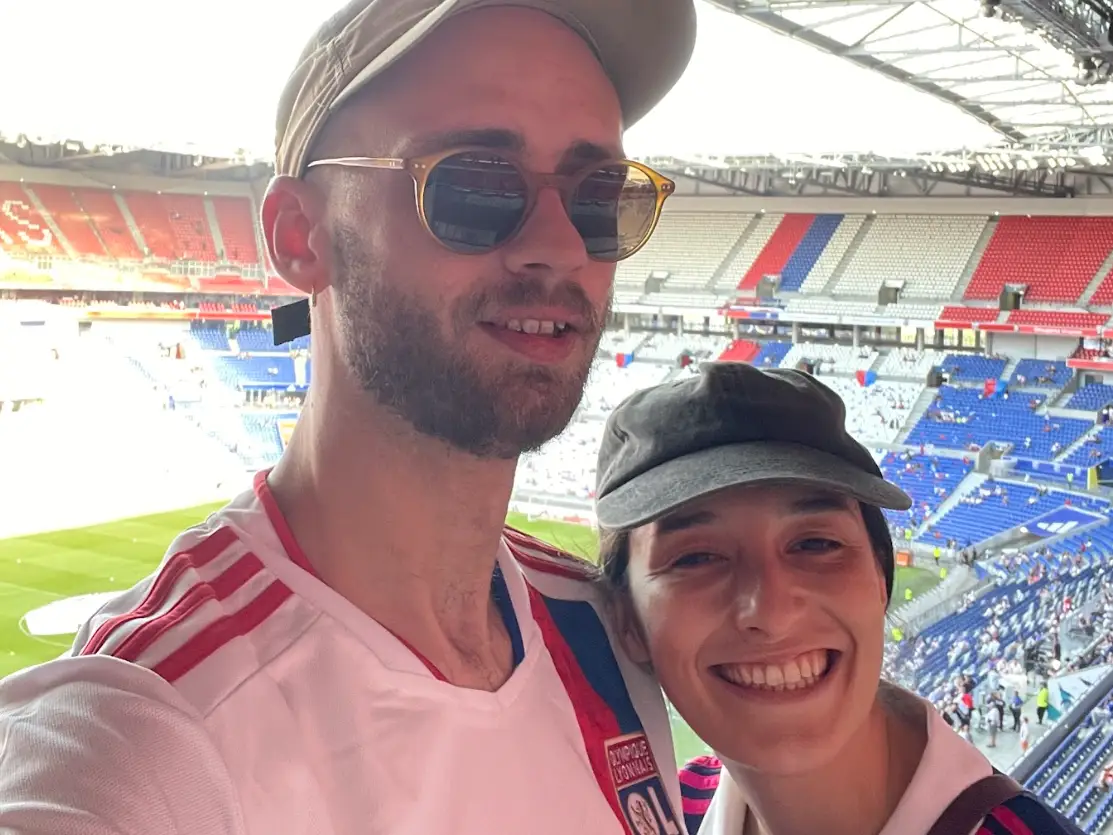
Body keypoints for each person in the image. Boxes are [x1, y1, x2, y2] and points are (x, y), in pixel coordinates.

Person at [0, 2, 696, 833]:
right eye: (473, 185)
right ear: (300, 236)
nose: (561, 245)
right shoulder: (155, 730)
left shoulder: (605, 632)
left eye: (596, 196)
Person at [592, 363, 1084, 835]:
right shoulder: (670, 809)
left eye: (815, 544)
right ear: (627, 621)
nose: (772, 613)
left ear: (880, 581)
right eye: (696, 558)